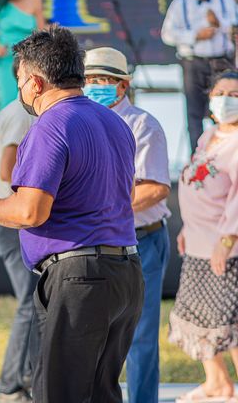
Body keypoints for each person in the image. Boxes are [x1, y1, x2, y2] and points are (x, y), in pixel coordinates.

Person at [0, 25, 143, 403]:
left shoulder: (51, 124)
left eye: (18, 80)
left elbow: (31, 211)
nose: (20, 90)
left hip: (80, 277)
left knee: (57, 394)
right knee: (101, 394)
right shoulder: (114, 122)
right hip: (125, 271)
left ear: (34, 81)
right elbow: (126, 195)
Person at [83, 47, 171, 403]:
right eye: (88, 80)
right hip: (94, 243)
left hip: (142, 241)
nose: (93, 87)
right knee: (92, 335)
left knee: (140, 336)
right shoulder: (78, 122)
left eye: (101, 80)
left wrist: (103, 212)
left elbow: (155, 188)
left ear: (122, 85)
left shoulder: (142, 124)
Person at [169, 70, 238, 403]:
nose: (225, 99)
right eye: (220, 92)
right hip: (196, 241)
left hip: (224, 247)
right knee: (197, 316)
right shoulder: (208, 136)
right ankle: (217, 383)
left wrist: (226, 242)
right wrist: (186, 226)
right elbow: (197, 184)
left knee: (230, 324)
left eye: (234, 95)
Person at [0, 100, 38, 403]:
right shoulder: (22, 114)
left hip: (11, 221)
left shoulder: (16, 111)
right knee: (30, 305)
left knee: (34, 303)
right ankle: (10, 386)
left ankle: (30, 379)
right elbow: (9, 170)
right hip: (12, 223)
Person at [161, 0, 237, 153]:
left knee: (224, 108)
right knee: (194, 113)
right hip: (193, 62)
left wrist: (220, 24)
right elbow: (167, 34)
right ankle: (197, 157)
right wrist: (195, 35)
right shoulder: (180, 4)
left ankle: (225, 152)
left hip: (222, 61)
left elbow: (234, 25)